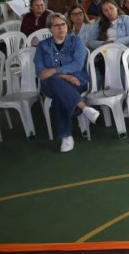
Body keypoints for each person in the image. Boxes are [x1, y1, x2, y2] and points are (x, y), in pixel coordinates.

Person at [34, 12, 100, 153]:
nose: (61, 28)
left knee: (59, 95)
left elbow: (77, 65)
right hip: (52, 84)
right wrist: (65, 76)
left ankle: (66, 136)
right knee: (54, 81)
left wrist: (55, 71)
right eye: (56, 26)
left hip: (77, 81)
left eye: (63, 24)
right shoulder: (43, 46)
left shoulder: (75, 41)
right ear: (50, 29)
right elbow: (40, 71)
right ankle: (83, 108)